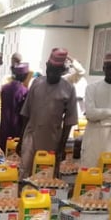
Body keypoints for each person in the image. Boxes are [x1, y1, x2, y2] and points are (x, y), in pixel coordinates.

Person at [18, 48, 78, 178]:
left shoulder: (68, 89)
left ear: (62, 71)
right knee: (25, 173)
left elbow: (69, 121)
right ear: (46, 66)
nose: (51, 74)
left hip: (52, 140)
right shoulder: (36, 83)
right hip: (31, 136)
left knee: (45, 176)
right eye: (50, 70)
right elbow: (26, 113)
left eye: (56, 71)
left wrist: (61, 147)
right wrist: (21, 139)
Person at [80, 52, 111, 169]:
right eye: (109, 68)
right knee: (88, 176)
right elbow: (91, 114)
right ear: (104, 69)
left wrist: (101, 120)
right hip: (92, 140)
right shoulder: (92, 88)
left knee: (109, 178)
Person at [0, 62, 28, 150]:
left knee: (1, 159)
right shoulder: (24, 91)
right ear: (25, 76)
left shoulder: (5, 88)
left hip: (3, 129)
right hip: (16, 131)